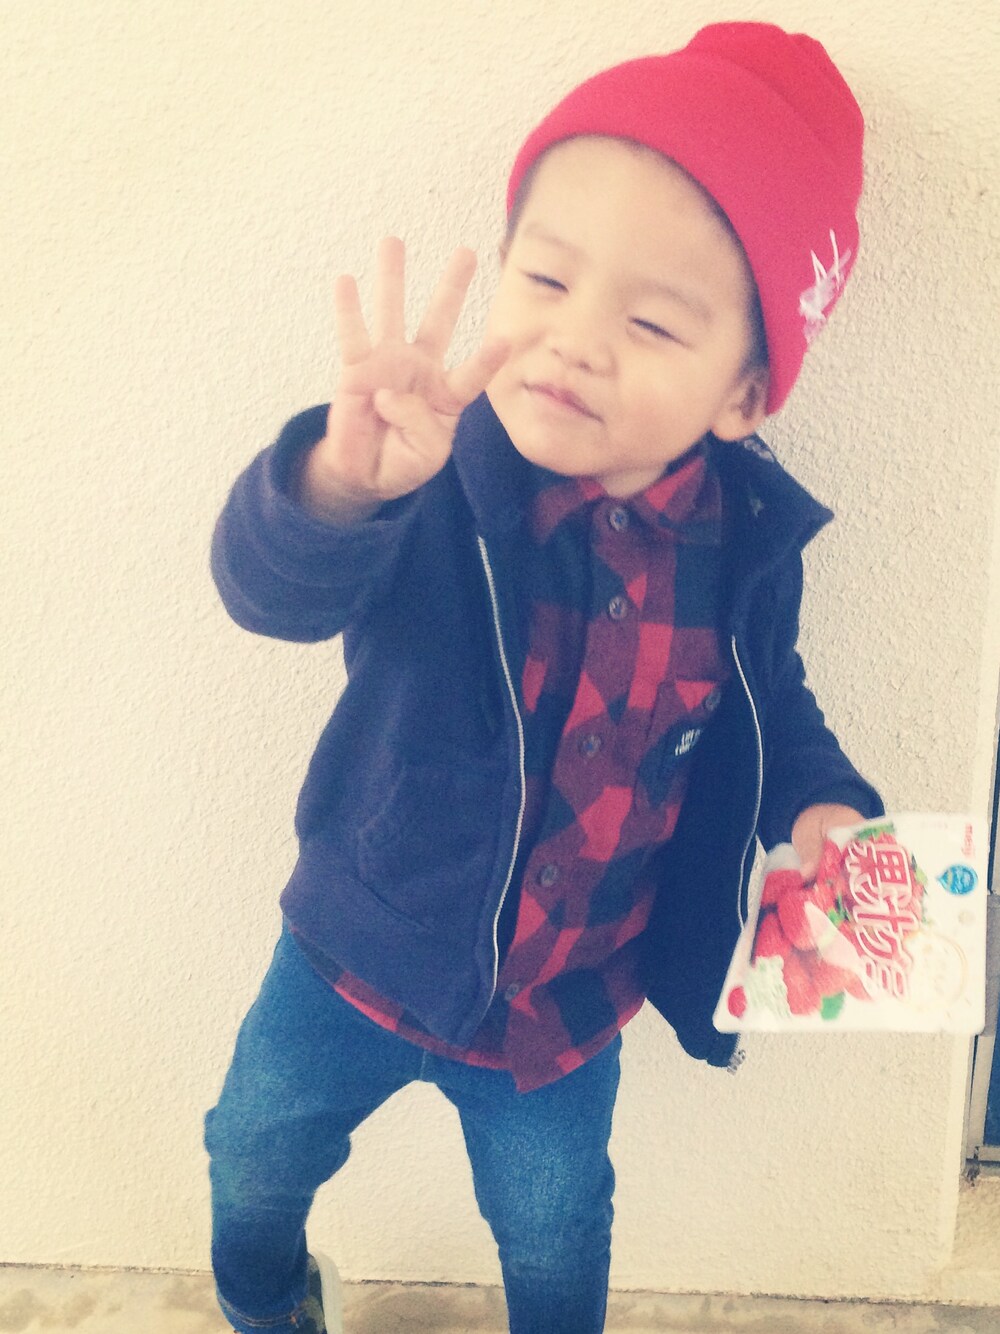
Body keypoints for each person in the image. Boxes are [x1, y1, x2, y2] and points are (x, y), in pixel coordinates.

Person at [205, 20, 883, 1334]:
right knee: (253, 1145)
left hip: (562, 1013)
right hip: (353, 952)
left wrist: (823, 806)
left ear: (744, 395)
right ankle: (266, 1302)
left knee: (560, 1230)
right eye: (547, 279)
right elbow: (271, 593)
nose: (575, 341)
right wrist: (340, 485)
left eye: (649, 321)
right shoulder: (427, 478)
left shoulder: (744, 550)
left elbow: (772, 702)